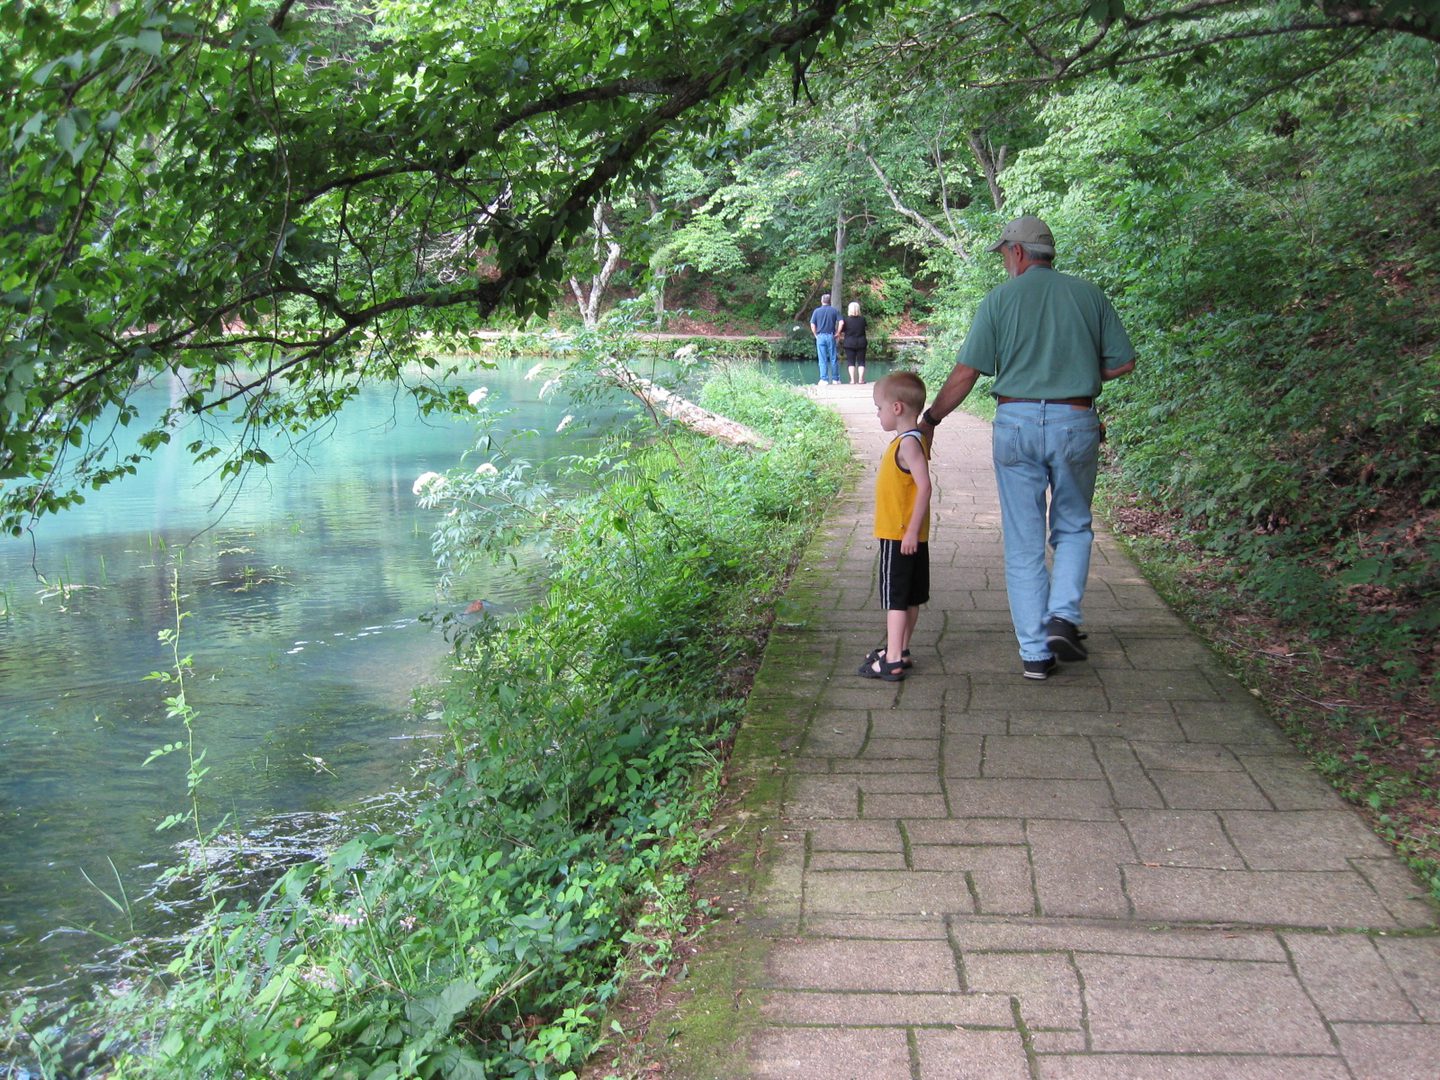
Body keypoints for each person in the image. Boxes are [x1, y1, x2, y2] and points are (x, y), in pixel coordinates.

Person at [918, 215, 1136, 680]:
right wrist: (1079, 375)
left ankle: (1036, 654)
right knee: (1074, 526)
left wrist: (931, 419)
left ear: (1017, 253)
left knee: (1023, 541)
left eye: (1003, 255)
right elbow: (1124, 363)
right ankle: (1063, 616)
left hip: (1015, 424)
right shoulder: (1089, 295)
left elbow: (965, 373)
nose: (1003, 264)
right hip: (1076, 420)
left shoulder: (1000, 300)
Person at [859, 371, 932, 682]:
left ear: (897, 408)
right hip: (911, 535)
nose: (878, 413)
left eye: (879, 408)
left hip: (898, 535)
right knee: (911, 597)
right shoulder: (913, 440)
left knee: (895, 599)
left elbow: (925, 486)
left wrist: (911, 531)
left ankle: (891, 659)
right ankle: (900, 649)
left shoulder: (907, 445)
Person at [809, 293, 841, 385]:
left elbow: (812, 324)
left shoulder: (816, 311)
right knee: (833, 358)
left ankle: (824, 379)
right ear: (829, 301)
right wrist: (838, 333)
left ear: (821, 301)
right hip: (831, 336)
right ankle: (835, 379)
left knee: (822, 359)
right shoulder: (834, 310)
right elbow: (841, 322)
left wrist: (815, 334)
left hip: (820, 336)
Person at [839, 301, 869, 385]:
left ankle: (852, 380)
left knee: (850, 362)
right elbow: (865, 328)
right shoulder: (863, 319)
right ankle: (860, 380)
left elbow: (842, 330)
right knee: (861, 362)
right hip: (861, 342)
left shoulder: (846, 320)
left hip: (849, 343)